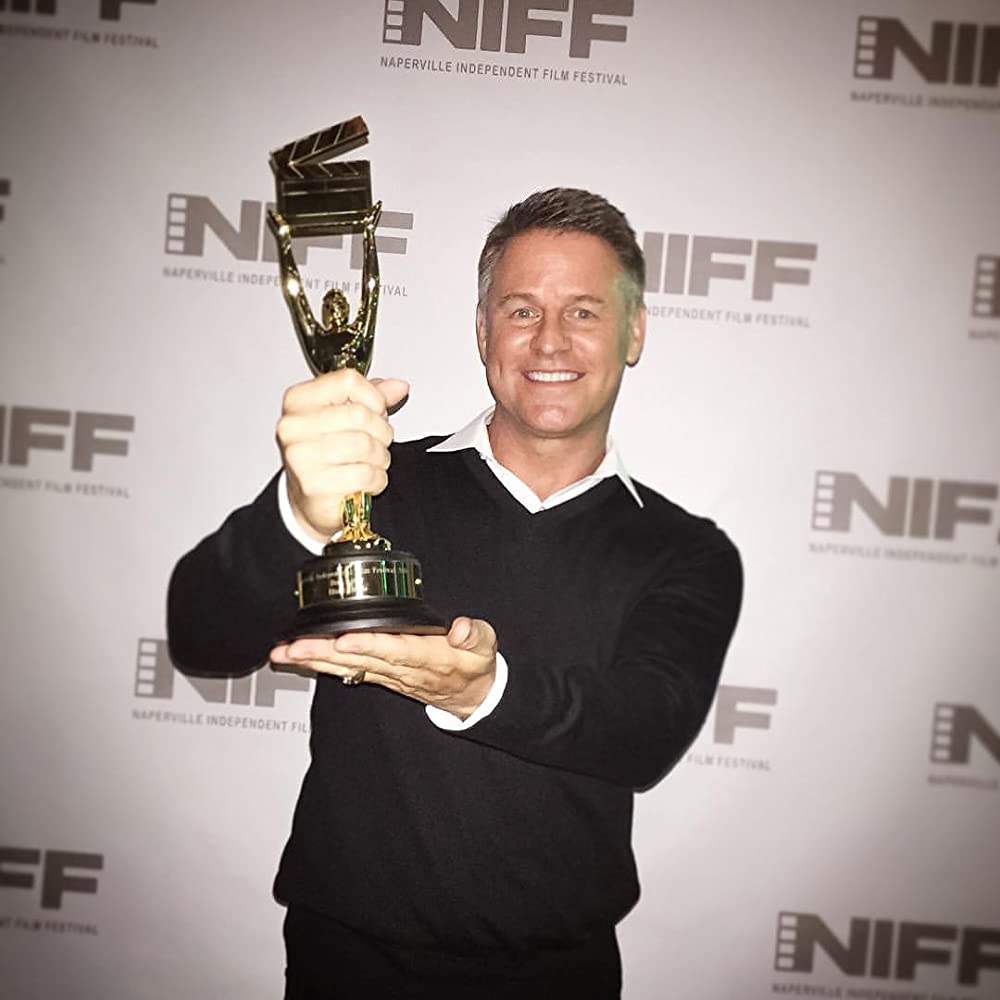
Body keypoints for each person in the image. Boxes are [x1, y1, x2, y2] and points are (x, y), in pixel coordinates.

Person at [167, 188, 743, 999]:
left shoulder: (686, 551)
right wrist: (296, 514)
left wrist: (484, 691)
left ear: (634, 331)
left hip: (558, 976)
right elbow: (200, 634)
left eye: (584, 312)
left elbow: (644, 733)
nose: (550, 339)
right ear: (482, 330)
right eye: (521, 310)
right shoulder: (372, 484)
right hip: (348, 966)